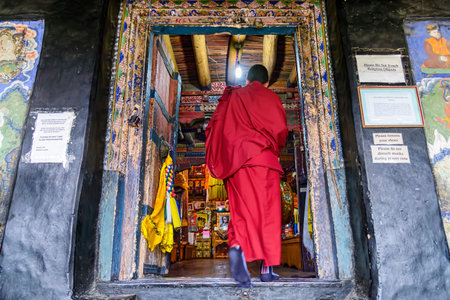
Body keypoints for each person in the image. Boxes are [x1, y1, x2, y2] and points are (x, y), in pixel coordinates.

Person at [205, 64, 288, 287]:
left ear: (248, 78)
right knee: (268, 215)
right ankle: (266, 269)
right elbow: (281, 130)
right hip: (265, 163)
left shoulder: (236, 95)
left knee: (241, 211)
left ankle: (237, 246)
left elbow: (220, 126)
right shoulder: (273, 98)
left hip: (239, 163)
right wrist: (273, 148)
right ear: (267, 82)